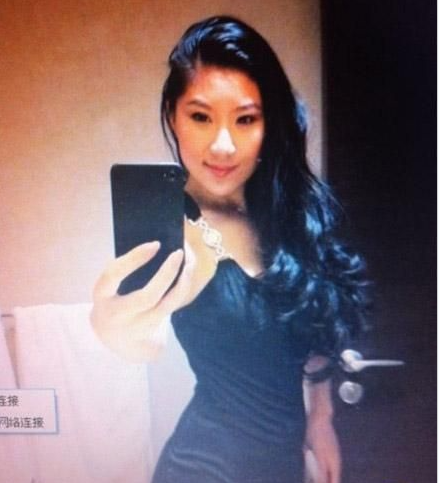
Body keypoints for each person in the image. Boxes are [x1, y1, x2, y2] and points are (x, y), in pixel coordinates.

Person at [91, 16, 368, 483]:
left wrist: (321, 420)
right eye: (200, 117)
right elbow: (142, 337)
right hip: (201, 469)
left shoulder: (290, 216)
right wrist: (111, 328)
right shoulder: (176, 229)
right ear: (174, 117)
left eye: (245, 119)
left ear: (269, 123)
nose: (222, 145)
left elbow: (316, 325)